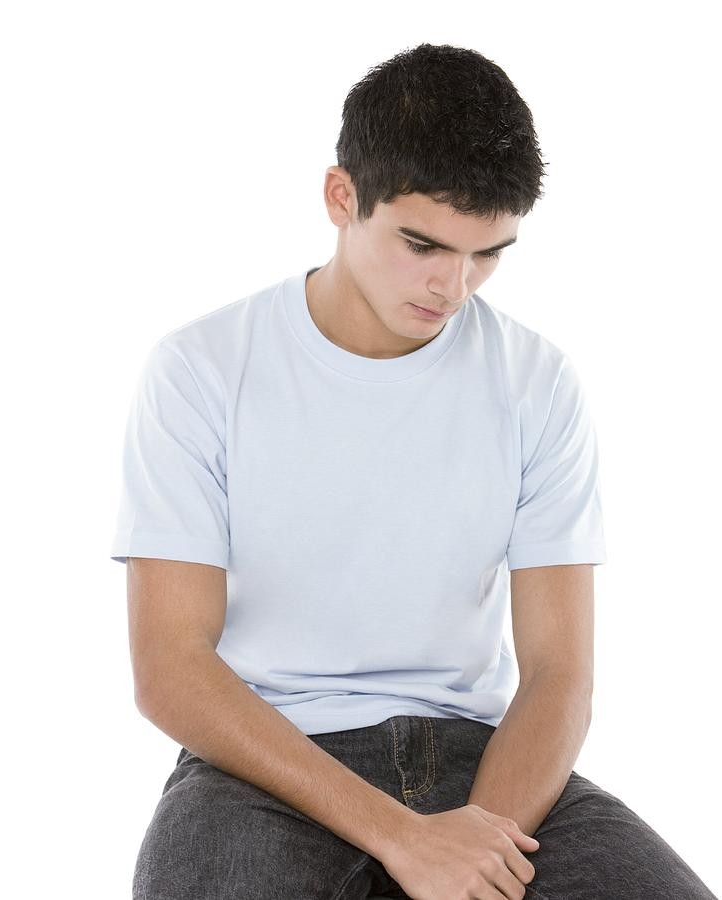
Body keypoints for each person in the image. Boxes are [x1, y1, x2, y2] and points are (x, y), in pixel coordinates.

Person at [110, 42, 716, 900]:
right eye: (422, 244)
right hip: (266, 766)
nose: (453, 286)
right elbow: (171, 666)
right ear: (341, 197)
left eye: (488, 253)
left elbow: (560, 675)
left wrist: (476, 846)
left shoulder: (536, 382)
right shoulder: (202, 370)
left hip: (486, 765)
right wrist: (404, 839)